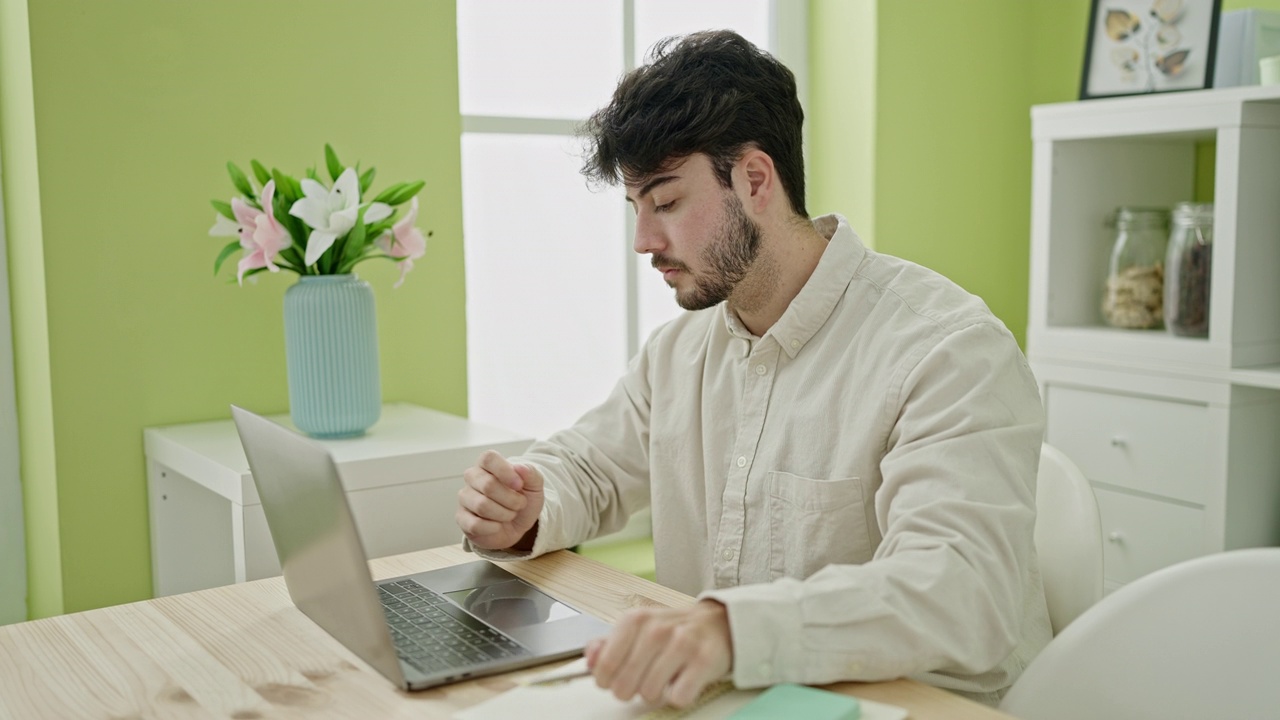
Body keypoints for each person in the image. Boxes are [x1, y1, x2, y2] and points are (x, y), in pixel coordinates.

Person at [455, 29, 1050, 708]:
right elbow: (589, 467)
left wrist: (728, 632)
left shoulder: (947, 349)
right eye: (636, 209)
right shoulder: (681, 352)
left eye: (667, 202)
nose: (645, 241)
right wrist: (527, 507)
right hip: (748, 698)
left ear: (756, 180)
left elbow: (960, 590)